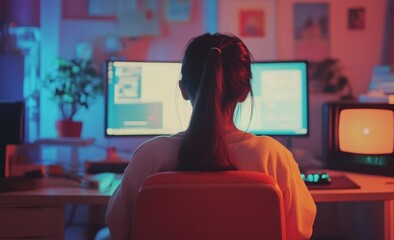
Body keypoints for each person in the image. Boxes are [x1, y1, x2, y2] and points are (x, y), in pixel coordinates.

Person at [105, 32, 316, 239]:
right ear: (244, 92)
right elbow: (298, 233)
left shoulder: (149, 156)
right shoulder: (275, 157)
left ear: (183, 90)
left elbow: (119, 228)